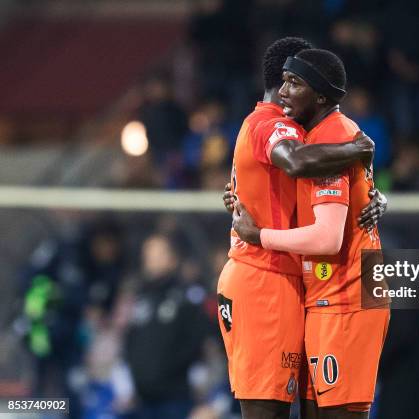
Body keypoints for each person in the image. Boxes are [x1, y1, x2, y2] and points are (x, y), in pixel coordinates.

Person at [217, 37, 387, 419]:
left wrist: (372, 193)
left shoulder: (323, 134)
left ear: (321, 95)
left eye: (298, 82)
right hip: (272, 281)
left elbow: (329, 229)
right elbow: (296, 163)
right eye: (287, 80)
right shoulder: (279, 128)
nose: (287, 90)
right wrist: (360, 151)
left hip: (337, 292)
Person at [125, 233, 211, 419]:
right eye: (148, 255)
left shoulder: (187, 297)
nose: (151, 260)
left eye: (158, 255)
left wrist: (166, 372)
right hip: (142, 397)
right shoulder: (140, 296)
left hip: (175, 397)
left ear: (173, 259)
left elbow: (195, 343)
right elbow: (130, 340)